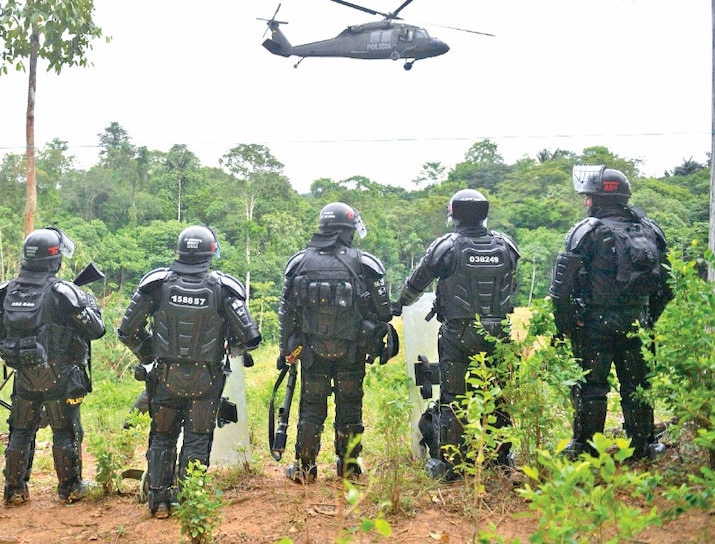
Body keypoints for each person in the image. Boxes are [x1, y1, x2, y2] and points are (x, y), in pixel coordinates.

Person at [117, 225, 261, 518]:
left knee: (162, 436)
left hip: (165, 377)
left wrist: (151, 355)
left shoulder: (156, 285)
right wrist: (230, 346)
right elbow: (250, 338)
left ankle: (158, 501)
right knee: (197, 438)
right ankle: (188, 500)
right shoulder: (224, 288)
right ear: (211, 252)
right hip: (206, 380)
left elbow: (127, 331)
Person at [394, 189, 520, 482]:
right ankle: (500, 458)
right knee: (498, 395)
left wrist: (399, 304)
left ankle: (451, 464)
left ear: (454, 215)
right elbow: (511, 285)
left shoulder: (447, 247)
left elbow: (415, 283)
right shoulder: (506, 246)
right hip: (498, 331)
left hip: (458, 332)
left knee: (454, 398)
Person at [549, 165, 673, 461]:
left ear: (597, 200)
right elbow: (668, 287)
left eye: (588, 197)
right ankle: (643, 447)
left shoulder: (586, 231)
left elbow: (561, 290)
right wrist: (647, 318)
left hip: (595, 324)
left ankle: (586, 449)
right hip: (638, 321)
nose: (585, 201)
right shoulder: (651, 230)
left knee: (591, 388)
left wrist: (567, 326)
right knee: (638, 385)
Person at [0, 227, 105, 505]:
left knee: (21, 431)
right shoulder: (63, 292)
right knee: (65, 432)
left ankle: (14, 490)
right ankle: (70, 487)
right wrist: (89, 303)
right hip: (61, 376)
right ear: (55, 258)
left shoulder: (3, 292)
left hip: (24, 376)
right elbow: (96, 330)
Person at [277, 202, 394, 484]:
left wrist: (285, 351)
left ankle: (305, 469)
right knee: (350, 407)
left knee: (311, 408)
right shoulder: (365, 263)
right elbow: (384, 311)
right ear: (347, 230)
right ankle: (349, 468)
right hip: (352, 351)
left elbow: (286, 313)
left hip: (312, 351)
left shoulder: (299, 262)